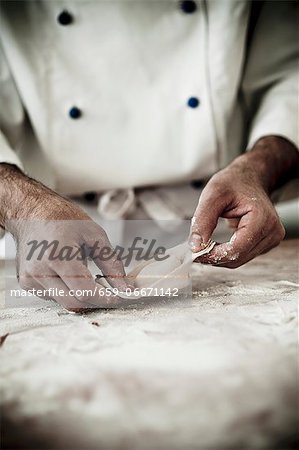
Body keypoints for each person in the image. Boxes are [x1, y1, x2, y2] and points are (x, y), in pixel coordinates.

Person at [0, 0, 298, 309]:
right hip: (48, 241)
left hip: (214, 227)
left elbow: (291, 74)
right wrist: (23, 206)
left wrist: (257, 169)